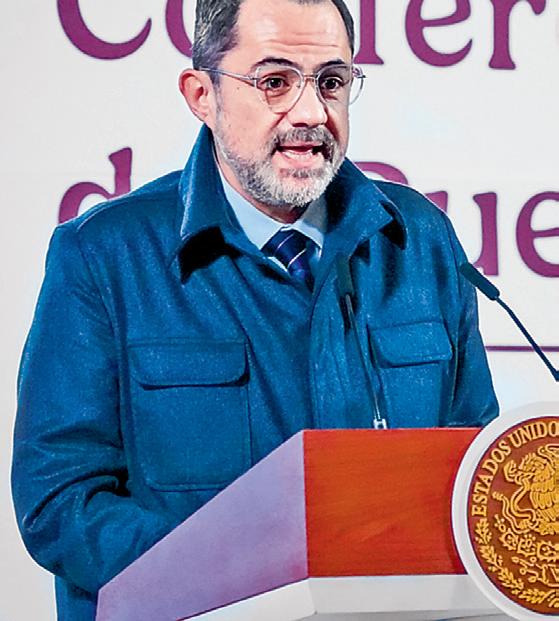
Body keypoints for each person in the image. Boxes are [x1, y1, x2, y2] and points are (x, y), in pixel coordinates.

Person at [12, 0, 498, 619]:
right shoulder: (104, 255)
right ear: (202, 95)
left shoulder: (419, 237)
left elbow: (476, 471)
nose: (311, 113)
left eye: (331, 82)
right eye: (275, 82)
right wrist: (242, 575)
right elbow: (59, 498)